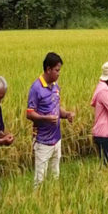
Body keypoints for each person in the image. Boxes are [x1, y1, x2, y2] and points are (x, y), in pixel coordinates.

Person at [27, 52, 75, 188]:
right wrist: (45, 118)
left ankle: (52, 200)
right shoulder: (36, 88)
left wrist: (66, 115)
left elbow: (56, 107)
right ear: (48, 69)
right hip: (43, 141)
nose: (59, 73)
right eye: (57, 70)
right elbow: (29, 113)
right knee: (39, 180)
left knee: (55, 176)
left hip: (56, 139)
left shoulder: (55, 86)